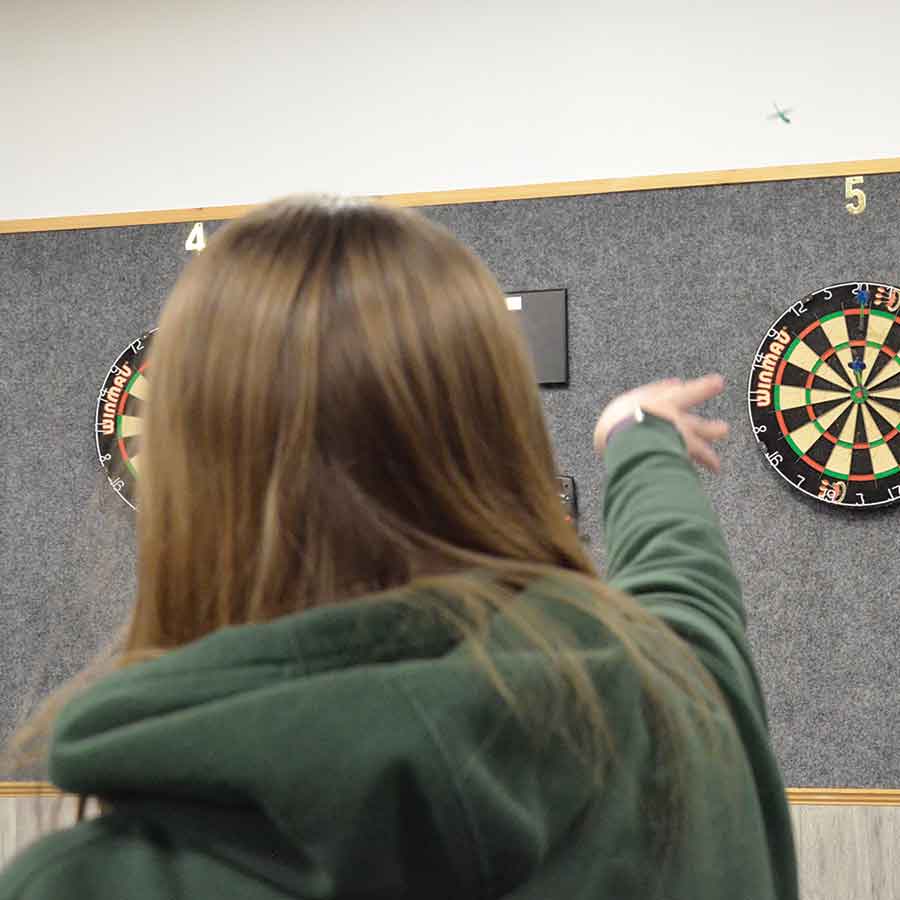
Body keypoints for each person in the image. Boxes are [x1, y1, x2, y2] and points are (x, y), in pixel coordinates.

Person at [0, 197, 797, 900]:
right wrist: (637, 434)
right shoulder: (685, 707)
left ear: (189, 487)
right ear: (503, 440)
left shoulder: (92, 885)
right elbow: (684, 580)